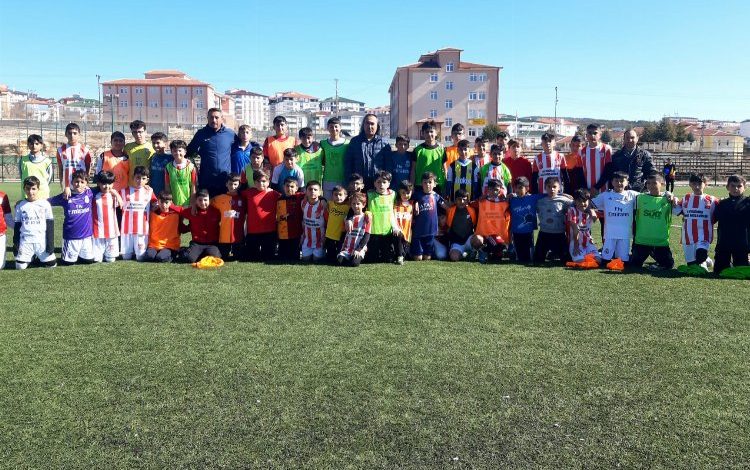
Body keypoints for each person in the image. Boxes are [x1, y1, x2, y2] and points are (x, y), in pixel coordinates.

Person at [591, 171, 640, 265]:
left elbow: (649, 196)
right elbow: (590, 204)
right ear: (612, 182)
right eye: (616, 181)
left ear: (627, 182)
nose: (619, 183)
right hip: (610, 233)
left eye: (622, 181)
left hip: (625, 234)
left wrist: (667, 193)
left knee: (623, 261)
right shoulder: (606, 195)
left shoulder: (632, 195)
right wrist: (592, 211)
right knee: (606, 260)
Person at [629, 173, 676, 270]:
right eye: (648, 183)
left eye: (654, 183)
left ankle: (656, 255)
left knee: (668, 265)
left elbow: (679, 206)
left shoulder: (668, 200)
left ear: (662, 184)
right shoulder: (639, 198)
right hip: (642, 240)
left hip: (660, 241)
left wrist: (672, 196)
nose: (651, 185)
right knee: (634, 265)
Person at [672, 173, 718, 270]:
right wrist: (672, 199)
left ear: (705, 184)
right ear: (690, 184)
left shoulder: (712, 200)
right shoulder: (686, 198)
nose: (697, 187)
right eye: (694, 184)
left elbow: (722, 210)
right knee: (692, 265)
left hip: (704, 236)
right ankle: (707, 260)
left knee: (700, 258)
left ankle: (703, 260)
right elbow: (677, 209)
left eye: (699, 184)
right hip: (688, 236)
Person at [48, 169, 94, 265]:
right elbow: (48, 201)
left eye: (82, 182)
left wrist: (116, 195)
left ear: (86, 183)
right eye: (76, 181)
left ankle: (80, 254)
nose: (79, 184)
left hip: (87, 236)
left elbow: (105, 187)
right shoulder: (66, 196)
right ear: (72, 182)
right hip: (71, 236)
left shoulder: (89, 193)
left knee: (89, 261)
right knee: (68, 263)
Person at [187, 108, 236, 196]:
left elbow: (241, 145)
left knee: (224, 204)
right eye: (211, 117)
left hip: (225, 180)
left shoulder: (230, 134)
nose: (214, 120)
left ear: (222, 118)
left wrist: (254, 146)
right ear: (207, 118)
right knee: (207, 204)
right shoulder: (201, 134)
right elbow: (189, 151)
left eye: (216, 117)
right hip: (207, 180)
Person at [13, 176, 56, 269]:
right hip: (26, 241)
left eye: (33, 189)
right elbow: (17, 226)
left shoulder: (45, 204)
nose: (30, 192)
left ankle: (38, 257)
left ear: (38, 189)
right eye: (27, 188)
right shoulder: (20, 205)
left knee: (52, 265)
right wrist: (16, 244)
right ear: (24, 189)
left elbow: (50, 225)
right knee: (20, 266)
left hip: (41, 241)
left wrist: (50, 245)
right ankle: (30, 257)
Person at [713, 175, 750, 275]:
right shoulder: (721, 204)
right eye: (733, 186)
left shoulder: (748, 202)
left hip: (742, 245)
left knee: (742, 272)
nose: (736, 189)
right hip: (724, 244)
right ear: (727, 187)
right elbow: (712, 219)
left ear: (745, 187)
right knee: (719, 272)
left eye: (739, 186)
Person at [242, 169, 281, 261]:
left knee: (268, 257)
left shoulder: (274, 194)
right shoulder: (248, 193)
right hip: (253, 232)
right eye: (258, 181)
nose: (261, 184)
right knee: (251, 258)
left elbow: (288, 198)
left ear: (268, 182)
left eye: (263, 181)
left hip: (269, 232)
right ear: (254, 182)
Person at [344, 113, 390, 189]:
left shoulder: (384, 143)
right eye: (367, 123)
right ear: (363, 125)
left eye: (372, 124)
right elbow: (348, 163)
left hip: (378, 184)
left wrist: (386, 182)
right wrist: (349, 181)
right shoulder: (355, 141)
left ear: (377, 126)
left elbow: (388, 165)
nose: (369, 126)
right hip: (358, 184)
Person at [120, 166, 157, 261]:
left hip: (142, 229)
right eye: (138, 177)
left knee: (140, 257)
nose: (140, 180)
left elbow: (156, 204)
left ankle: (138, 250)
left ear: (147, 180)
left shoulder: (149, 191)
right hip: (127, 229)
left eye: (143, 178)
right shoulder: (124, 191)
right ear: (133, 177)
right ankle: (130, 250)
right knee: (126, 257)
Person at [533, 177, 573, 264]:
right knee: (537, 261)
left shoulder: (565, 200)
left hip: (559, 234)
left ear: (559, 188)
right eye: (549, 186)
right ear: (545, 188)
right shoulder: (539, 201)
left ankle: (555, 254)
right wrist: (513, 196)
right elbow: (526, 199)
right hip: (544, 233)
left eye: (554, 187)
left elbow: (579, 203)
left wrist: (590, 210)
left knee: (567, 261)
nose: (552, 189)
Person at [470, 179, 511, 263]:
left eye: (496, 190)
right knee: (477, 239)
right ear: (487, 189)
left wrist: (512, 195)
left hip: (499, 236)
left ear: (500, 189)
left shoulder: (505, 202)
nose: (494, 192)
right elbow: (469, 204)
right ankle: (480, 250)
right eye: (491, 189)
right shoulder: (481, 201)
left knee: (498, 255)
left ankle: (486, 251)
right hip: (484, 235)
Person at [411, 171, 448, 261]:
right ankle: (410, 251)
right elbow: (409, 203)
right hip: (418, 232)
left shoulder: (436, 196)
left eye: (430, 182)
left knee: (427, 258)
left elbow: (447, 207)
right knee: (418, 258)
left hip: (431, 231)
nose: (427, 185)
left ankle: (432, 251)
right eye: (425, 182)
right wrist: (415, 203)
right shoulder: (417, 195)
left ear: (435, 184)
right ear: (421, 184)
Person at [508, 177, 545, 263]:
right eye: (516, 188)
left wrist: (563, 195)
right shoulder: (511, 199)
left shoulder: (532, 198)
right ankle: (512, 252)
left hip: (529, 232)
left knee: (529, 258)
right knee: (520, 258)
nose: (518, 190)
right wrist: (507, 196)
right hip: (516, 232)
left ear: (527, 188)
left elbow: (549, 195)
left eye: (520, 188)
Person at [180, 189, 222, 263]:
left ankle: (202, 253)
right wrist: (184, 227)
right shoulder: (192, 211)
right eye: (200, 200)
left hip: (212, 243)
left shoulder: (216, 211)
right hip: (197, 243)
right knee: (189, 259)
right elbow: (179, 211)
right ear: (196, 201)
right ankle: (185, 250)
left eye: (205, 200)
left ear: (209, 200)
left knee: (215, 258)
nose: (203, 203)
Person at [211, 173, 247, 260]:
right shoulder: (219, 199)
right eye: (230, 184)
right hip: (224, 236)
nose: (232, 186)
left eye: (235, 184)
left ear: (239, 185)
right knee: (223, 257)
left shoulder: (243, 199)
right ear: (226, 184)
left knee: (238, 257)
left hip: (238, 236)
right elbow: (206, 206)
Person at [91, 171, 123, 263]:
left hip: (111, 230)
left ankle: (109, 253)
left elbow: (121, 203)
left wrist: (116, 194)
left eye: (110, 183)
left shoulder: (114, 196)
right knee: (97, 259)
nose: (107, 186)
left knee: (111, 259)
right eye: (104, 184)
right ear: (98, 183)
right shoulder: (93, 195)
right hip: (97, 229)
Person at [366, 170, 398, 263]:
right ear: (374, 183)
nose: (381, 185)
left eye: (384, 182)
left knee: (388, 259)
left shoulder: (393, 194)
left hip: (387, 232)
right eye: (379, 182)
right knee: (373, 259)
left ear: (389, 184)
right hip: (373, 232)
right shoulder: (369, 194)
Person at [144, 191, 183, 263]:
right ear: (158, 201)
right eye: (161, 202)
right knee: (148, 257)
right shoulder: (152, 213)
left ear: (170, 202)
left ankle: (174, 254)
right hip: (154, 244)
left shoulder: (176, 214)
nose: (164, 205)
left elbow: (183, 211)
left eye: (166, 203)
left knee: (160, 258)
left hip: (170, 245)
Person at [565, 189, 601, 264]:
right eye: (579, 201)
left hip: (588, 242)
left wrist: (592, 211)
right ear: (575, 201)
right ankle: (583, 255)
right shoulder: (572, 210)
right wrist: (576, 246)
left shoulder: (590, 211)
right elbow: (575, 230)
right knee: (580, 262)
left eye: (584, 201)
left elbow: (595, 219)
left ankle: (589, 254)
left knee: (598, 261)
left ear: (589, 201)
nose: (582, 203)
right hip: (576, 242)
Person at [337, 192, 371, 267]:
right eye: (353, 204)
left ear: (363, 205)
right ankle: (349, 256)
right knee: (339, 261)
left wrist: (359, 249)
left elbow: (367, 235)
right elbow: (343, 233)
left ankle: (359, 257)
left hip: (359, 247)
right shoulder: (347, 218)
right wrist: (340, 248)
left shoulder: (366, 217)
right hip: (347, 247)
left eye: (358, 204)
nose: (355, 206)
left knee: (354, 263)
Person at [56, 122, 92, 193]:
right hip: (67, 187)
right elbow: (60, 169)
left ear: (79, 134)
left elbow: (88, 167)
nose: (72, 136)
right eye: (70, 133)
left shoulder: (85, 150)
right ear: (66, 134)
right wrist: (61, 183)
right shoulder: (60, 150)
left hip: (81, 185)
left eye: (75, 133)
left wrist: (86, 182)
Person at [412, 120, 446, 193]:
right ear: (423, 134)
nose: (429, 134)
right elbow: (413, 170)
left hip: (437, 185)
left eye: (431, 131)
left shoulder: (442, 149)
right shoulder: (417, 150)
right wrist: (412, 185)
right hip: (420, 185)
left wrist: (446, 185)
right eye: (427, 132)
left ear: (436, 133)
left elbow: (445, 169)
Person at [276, 177, 304, 262]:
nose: (289, 188)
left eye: (292, 186)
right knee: (282, 256)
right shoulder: (279, 198)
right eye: (287, 186)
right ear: (283, 187)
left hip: (295, 232)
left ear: (297, 188)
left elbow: (312, 195)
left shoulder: (299, 197)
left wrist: (322, 199)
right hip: (282, 232)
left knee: (294, 257)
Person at [320, 117, 349, 199]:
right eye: (331, 126)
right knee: (328, 204)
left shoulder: (347, 143)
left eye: (336, 126)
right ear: (328, 128)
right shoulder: (323, 143)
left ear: (340, 128)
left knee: (342, 204)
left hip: (343, 180)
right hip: (328, 180)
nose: (334, 129)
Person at [580, 124, 612, 194]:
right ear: (586, 135)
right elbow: (581, 172)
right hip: (587, 191)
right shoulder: (582, 151)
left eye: (595, 133)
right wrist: (585, 188)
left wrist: (596, 187)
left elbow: (608, 170)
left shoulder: (606, 149)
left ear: (600, 135)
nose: (592, 135)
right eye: (590, 133)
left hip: (603, 191)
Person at [19, 134, 53, 200]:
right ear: (28, 145)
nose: (34, 146)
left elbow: (49, 179)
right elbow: (22, 176)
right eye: (31, 144)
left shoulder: (47, 161)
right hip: (27, 195)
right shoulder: (22, 160)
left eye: (37, 144)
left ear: (41, 145)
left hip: (42, 195)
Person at [300, 181, 327, 263]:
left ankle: (323, 251)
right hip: (307, 239)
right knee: (306, 260)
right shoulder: (303, 203)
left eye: (315, 190)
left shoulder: (323, 205)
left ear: (320, 192)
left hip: (319, 240)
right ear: (306, 191)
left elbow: (327, 221)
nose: (312, 191)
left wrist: (325, 237)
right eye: (310, 189)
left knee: (316, 260)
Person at [445, 189, 476, 261]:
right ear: (455, 200)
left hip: (469, 240)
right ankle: (465, 254)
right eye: (459, 199)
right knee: (454, 258)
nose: (462, 202)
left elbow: (475, 225)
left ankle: (475, 251)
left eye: (464, 199)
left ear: (467, 200)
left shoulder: (472, 210)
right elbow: (448, 227)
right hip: (457, 242)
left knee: (478, 239)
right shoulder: (450, 211)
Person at [164, 140, 197, 207]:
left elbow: (193, 187)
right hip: (174, 203)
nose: (177, 153)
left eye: (180, 151)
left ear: (185, 152)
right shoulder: (168, 167)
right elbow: (167, 186)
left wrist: (192, 204)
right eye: (174, 151)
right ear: (171, 152)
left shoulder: (191, 167)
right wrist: (170, 202)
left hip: (188, 204)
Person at [124, 120, 154, 185]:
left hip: (145, 185)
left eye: (140, 132)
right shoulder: (127, 147)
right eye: (135, 132)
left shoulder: (152, 148)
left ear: (145, 132)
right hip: (130, 185)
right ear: (132, 133)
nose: (138, 134)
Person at [324, 185, 350, 263]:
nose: (338, 197)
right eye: (335, 195)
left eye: (340, 195)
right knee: (330, 256)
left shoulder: (348, 207)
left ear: (345, 196)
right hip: (330, 234)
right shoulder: (330, 204)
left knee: (339, 254)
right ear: (332, 196)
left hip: (341, 235)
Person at [393, 180, 414, 265]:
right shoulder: (395, 204)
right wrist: (396, 228)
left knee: (405, 255)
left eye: (408, 193)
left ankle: (401, 255)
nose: (405, 195)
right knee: (398, 255)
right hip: (397, 234)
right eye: (403, 193)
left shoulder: (412, 204)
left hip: (407, 236)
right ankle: (399, 256)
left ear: (411, 192)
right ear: (399, 192)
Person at [149, 132, 171, 197]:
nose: (155, 145)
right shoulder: (153, 157)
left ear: (165, 144)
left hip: (166, 194)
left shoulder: (170, 158)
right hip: (153, 192)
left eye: (158, 143)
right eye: (153, 143)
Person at [0, 189, 12, 270]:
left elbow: (8, 218)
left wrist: (20, 228)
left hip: (1, 234)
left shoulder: (3, 196)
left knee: (0, 266)